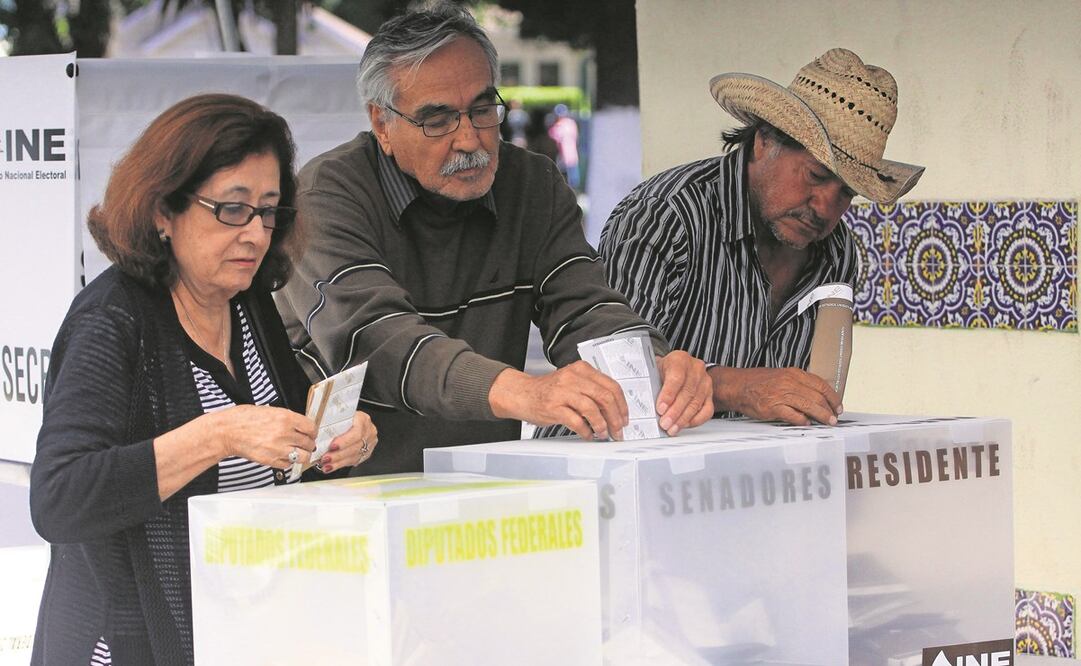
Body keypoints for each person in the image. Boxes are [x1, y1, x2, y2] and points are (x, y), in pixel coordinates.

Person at [276, 4, 712, 475]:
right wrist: (527, 392)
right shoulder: (327, 197)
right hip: (345, 496)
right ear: (382, 124)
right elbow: (379, 342)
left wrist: (651, 366)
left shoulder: (531, 184)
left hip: (482, 490)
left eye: (483, 109)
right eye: (437, 119)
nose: (470, 139)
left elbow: (583, 308)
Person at [29, 94, 378, 665]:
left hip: (240, 635)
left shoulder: (249, 304)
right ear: (163, 211)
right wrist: (217, 435)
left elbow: (280, 448)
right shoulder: (111, 320)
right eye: (232, 209)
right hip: (128, 645)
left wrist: (333, 439)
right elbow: (59, 499)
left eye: (268, 211)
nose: (255, 234)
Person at [599, 48, 925, 426]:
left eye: (847, 193)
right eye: (816, 176)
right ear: (764, 141)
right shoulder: (664, 215)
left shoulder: (838, 253)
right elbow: (615, 372)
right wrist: (738, 387)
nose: (825, 207)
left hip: (743, 476)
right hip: (609, 469)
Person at [548, 103, 580, 189]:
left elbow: (553, 136)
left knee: (567, 180)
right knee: (571, 180)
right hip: (569, 156)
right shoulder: (571, 123)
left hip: (565, 156)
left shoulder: (559, 126)